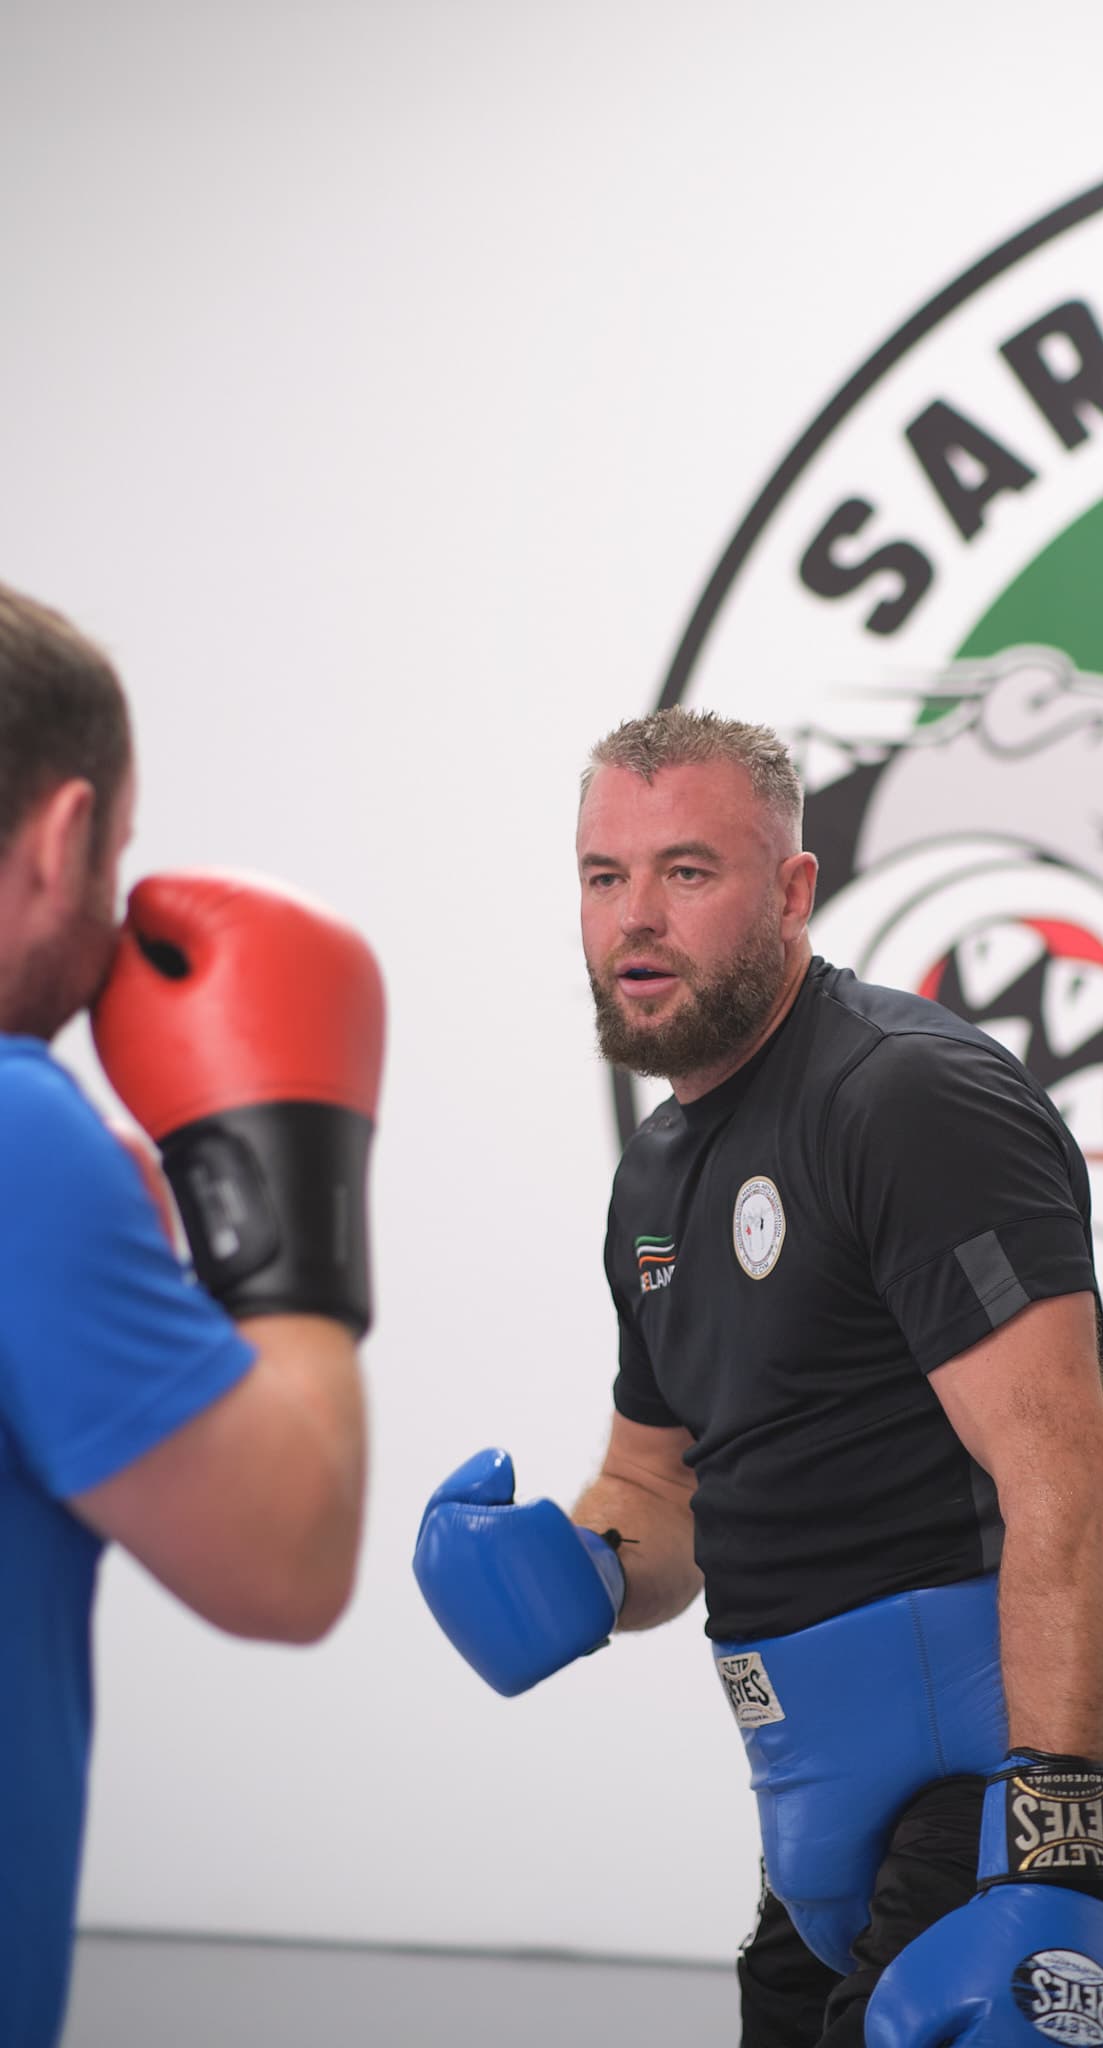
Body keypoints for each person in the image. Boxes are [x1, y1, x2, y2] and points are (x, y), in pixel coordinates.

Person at [414, 708, 1103, 2046]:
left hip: (994, 1794)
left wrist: (1055, 1858)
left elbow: (1069, 1490)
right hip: (820, 1807)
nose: (635, 918)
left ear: (791, 890)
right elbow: (660, 1481)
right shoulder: (655, 1173)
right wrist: (583, 1568)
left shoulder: (905, 1101)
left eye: (687, 872)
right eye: (605, 877)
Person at [0, 582, 384, 2048]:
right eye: (120, 854)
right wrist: (282, 1168)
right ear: (62, 836)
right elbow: (288, 1559)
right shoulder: (18, 1131)